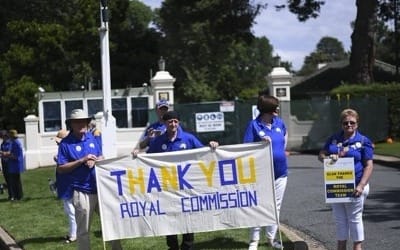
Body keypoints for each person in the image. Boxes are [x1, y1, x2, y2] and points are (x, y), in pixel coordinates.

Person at [133, 110, 219, 250]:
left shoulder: (188, 138)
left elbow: (203, 153)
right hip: (167, 186)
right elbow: (148, 158)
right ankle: (172, 246)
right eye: (170, 122)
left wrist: (212, 145)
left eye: (175, 121)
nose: (173, 124)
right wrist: (138, 153)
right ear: (165, 123)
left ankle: (187, 245)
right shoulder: (159, 141)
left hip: (186, 185)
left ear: (178, 123)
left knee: (187, 215)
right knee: (169, 216)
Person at [56, 109, 122, 250]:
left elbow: (101, 156)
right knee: (84, 230)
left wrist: (97, 160)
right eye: (77, 122)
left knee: (111, 224)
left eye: (84, 121)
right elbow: (61, 168)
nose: (82, 124)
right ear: (71, 124)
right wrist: (81, 161)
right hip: (81, 190)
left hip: (100, 188)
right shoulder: (65, 144)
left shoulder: (91, 138)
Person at [318, 108, 374, 250]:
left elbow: (369, 165)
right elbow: (321, 154)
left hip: (356, 185)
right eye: (345, 123)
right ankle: (341, 247)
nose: (349, 125)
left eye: (352, 123)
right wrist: (328, 157)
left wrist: (361, 185)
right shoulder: (334, 138)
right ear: (341, 124)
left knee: (354, 219)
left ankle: (357, 247)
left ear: (357, 124)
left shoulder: (363, 141)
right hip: (336, 186)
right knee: (340, 220)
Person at [243, 93, 288, 250]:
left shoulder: (280, 124)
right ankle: (254, 241)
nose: (278, 109)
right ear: (268, 109)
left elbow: (283, 144)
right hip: (261, 174)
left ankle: (271, 238)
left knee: (276, 206)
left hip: (281, 173)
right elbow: (246, 149)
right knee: (259, 205)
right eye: (275, 106)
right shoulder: (253, 125)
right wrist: (260, 144)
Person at [52, 129, 77, 244]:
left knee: (71, 210)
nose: (57, 143)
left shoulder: (66, 149)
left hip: (68, 183)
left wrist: (59, 161)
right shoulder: (64, 149)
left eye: (58, 141)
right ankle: (73, 232)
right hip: (64, 182)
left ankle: (74, 234)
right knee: (69, 210)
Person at [3, 129, 25, 201]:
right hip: (13, 165)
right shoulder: (14, 142)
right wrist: (6, 153)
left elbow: (15, 156)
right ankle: (16, 196)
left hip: (15, 165)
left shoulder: (16, 143)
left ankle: (18, 196)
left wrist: (6, 155)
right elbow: (11, 152)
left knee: (16, 182)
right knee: (14, 181)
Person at [0, 130, 12, 200]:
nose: (2, 138)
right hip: (4, 162)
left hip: (9, 162)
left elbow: (9, 152)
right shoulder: (2, 144)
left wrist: (2, 153)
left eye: (3, 136)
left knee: (11, 179)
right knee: (7, 179)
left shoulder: (10, 143)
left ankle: (12, 194)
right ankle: (10, 195)